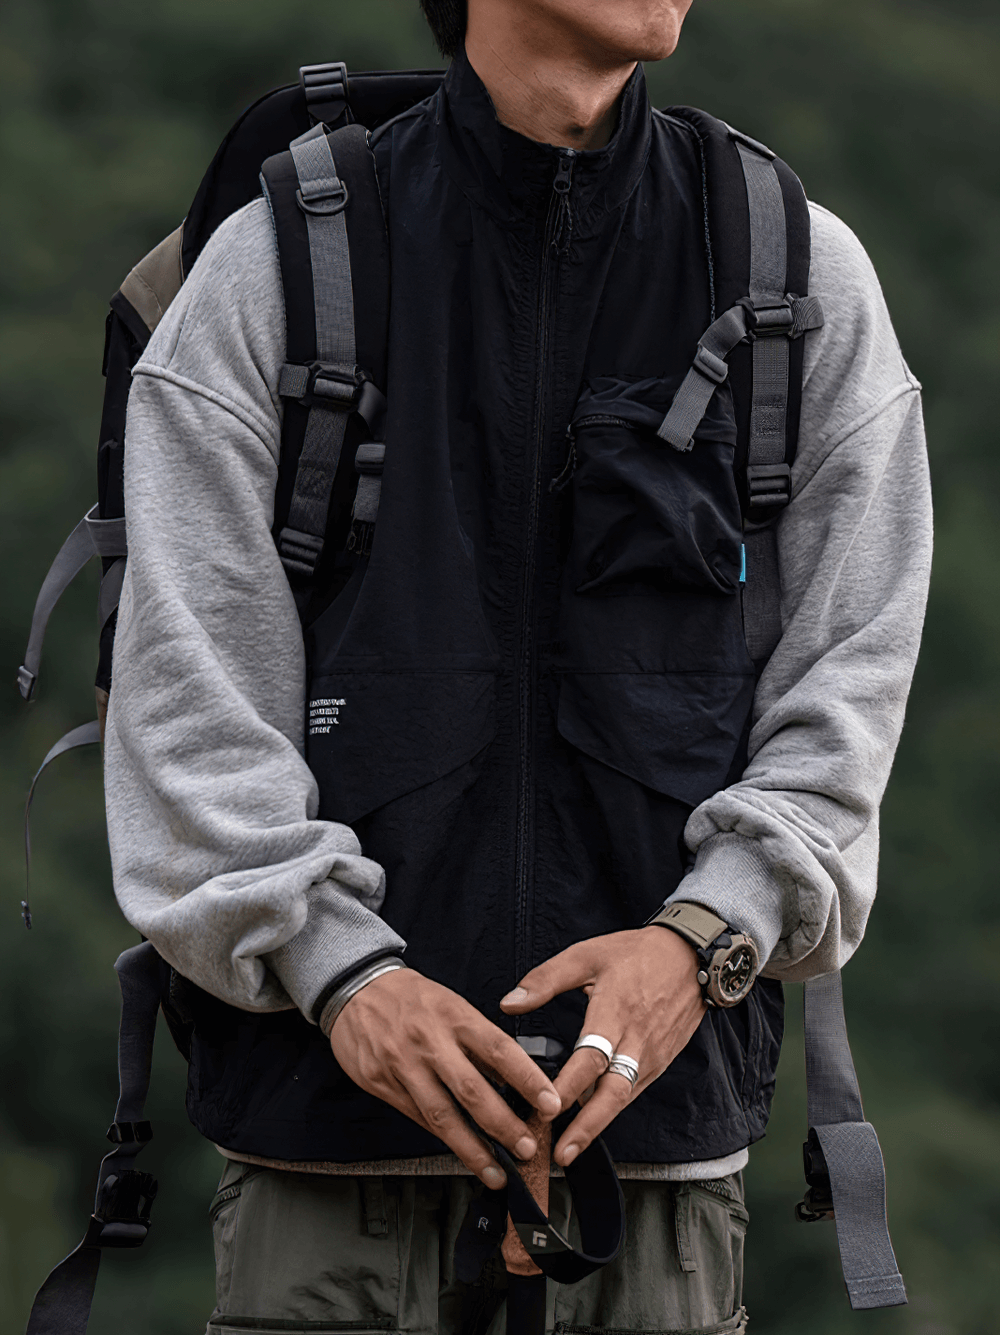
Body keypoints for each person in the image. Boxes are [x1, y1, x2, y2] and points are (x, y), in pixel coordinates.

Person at [103, 0, 932, 1331]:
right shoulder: (280, 267)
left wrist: (701, 940)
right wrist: (344, 974)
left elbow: (851, 686)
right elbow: (185, 700)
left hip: (652, 1180)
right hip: (327, 1166)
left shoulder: (789, 269)